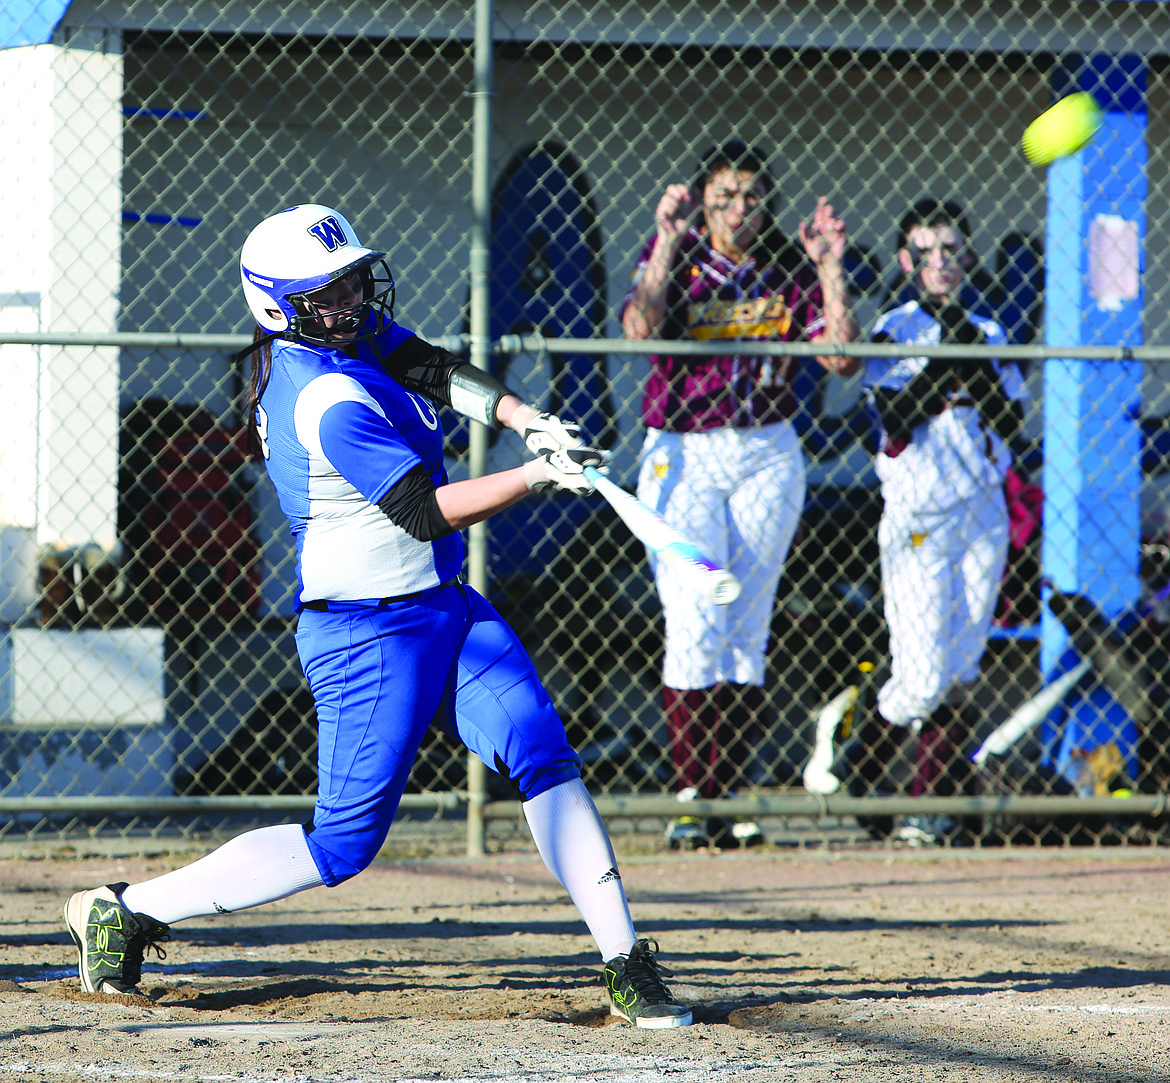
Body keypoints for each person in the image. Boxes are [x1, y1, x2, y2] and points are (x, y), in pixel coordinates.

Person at [63, 204, 691, 1029]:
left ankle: (624, 959)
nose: (352, 297)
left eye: (353, 278)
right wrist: (537, 477)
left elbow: (432, 366)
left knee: (541, 750)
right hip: (366, 634)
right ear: (280, 307)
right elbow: (424, 510)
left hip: (448, 610)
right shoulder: (324, 395)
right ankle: (128, 908)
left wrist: (525, 419)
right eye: (328, 291)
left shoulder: (349, 335)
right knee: (342, 847)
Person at [621, 142, 861, 850]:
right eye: (724, 196)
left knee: (747, 628)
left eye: (751, 196)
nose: (738, 210)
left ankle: (730, 796)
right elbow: (639, 329)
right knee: (696, 613)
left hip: (766, 448)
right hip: (684, 447)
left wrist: (830, 267)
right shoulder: (680, 251)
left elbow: (841, 357)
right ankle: (694, 795)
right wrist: (667, 238)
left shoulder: (790, 262)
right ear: (701, 198)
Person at [833, 198, 1029, 845]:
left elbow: (1010, 422)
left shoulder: (989, 330)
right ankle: (856, 768)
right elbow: (894, 419)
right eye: (927, 253)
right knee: (919, 672)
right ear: (906, 261)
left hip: (982, 510)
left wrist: (973, 357)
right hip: (919, 509)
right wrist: (948, 359)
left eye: (951, 250)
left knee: (963, 661)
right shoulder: (895, 329)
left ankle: (928, 804)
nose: (941, 263)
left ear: (967, 256)